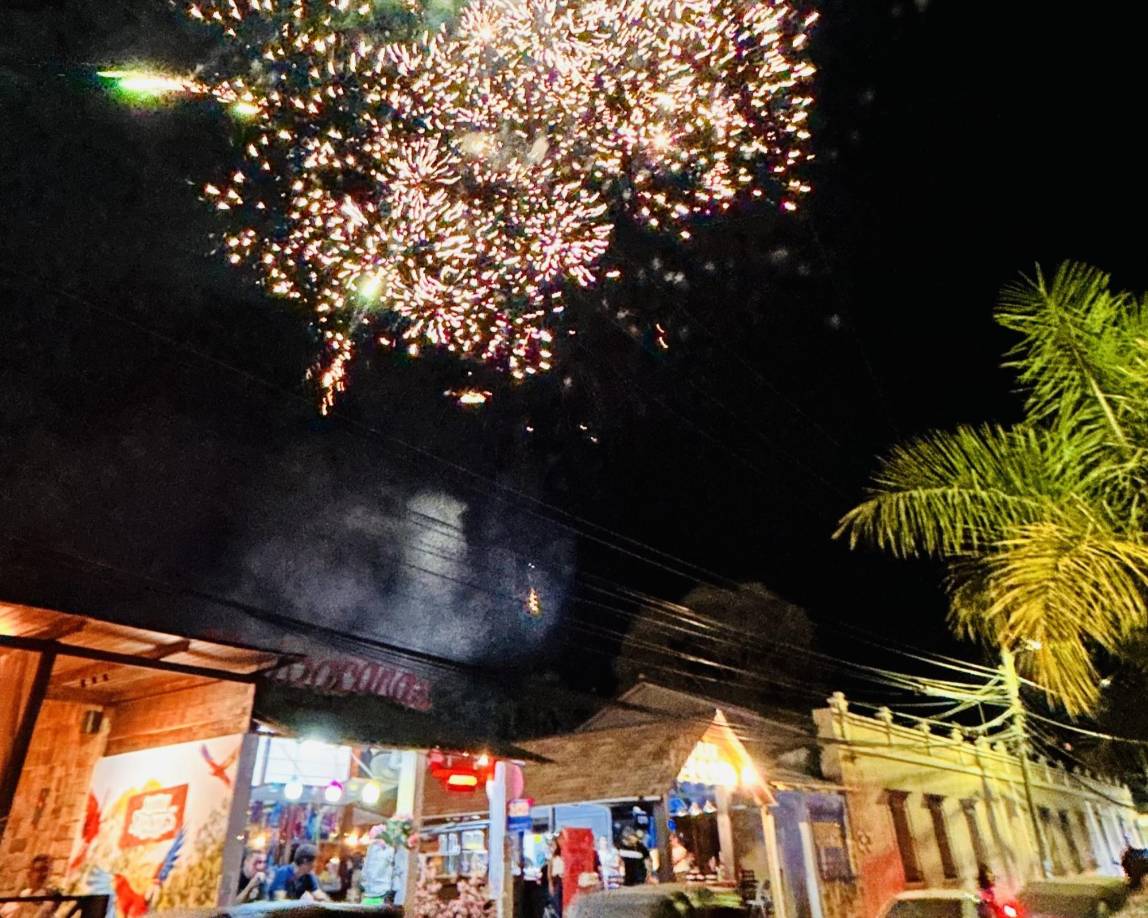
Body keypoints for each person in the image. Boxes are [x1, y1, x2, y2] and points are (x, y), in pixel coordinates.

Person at [548, 839, 565, 918]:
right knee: (556, 902)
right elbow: (549, 872)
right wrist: (550, 884)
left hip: (563, 880)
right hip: (556, 880)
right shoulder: (552, 858)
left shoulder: (563, 856)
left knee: (562, 902)